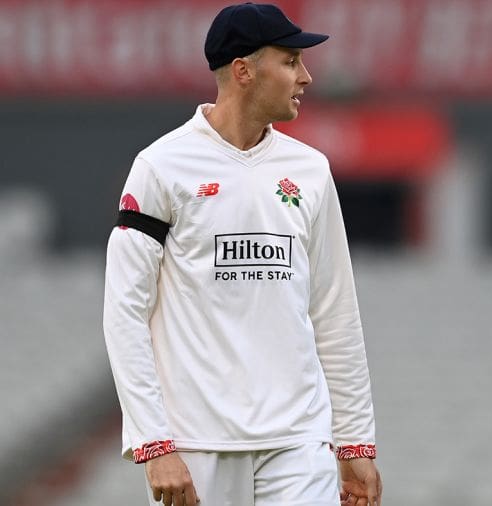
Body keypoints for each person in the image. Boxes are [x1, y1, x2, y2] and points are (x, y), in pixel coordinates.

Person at [102, 3, 381, 505]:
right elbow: (124, 312)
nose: (308, 76)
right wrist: (152, 443)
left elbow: (336, 311)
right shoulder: (161, 166)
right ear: (244, 71)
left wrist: (355, 441)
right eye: (292, 61)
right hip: (195, 447)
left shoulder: (311, 170)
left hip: (299, 443)